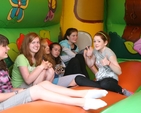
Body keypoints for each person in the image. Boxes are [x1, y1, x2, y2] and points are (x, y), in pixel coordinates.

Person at [0, 34, 108, 111]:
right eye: (4, 46)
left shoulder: (2, 64)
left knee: (45, 84)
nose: (8, 48)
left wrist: (19, 90)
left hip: (12, 95)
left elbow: (7, 89)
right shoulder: (21, 58)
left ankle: (84, 94)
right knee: (37, 89)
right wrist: (18, 92)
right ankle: (82, 103)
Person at [75, 31, 133, 96]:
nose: (96, 44)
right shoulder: (95, 51)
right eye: (94, 41)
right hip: (100, 79)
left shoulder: (109, 53)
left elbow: (119, 72)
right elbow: (90, 64)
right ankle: (100, 86)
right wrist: (87, 56)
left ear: (105, 43)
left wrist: (109, 63)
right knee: (78, 78)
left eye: (99, 41)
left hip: (110, 79)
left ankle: (122, 91)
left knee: (105, 84)